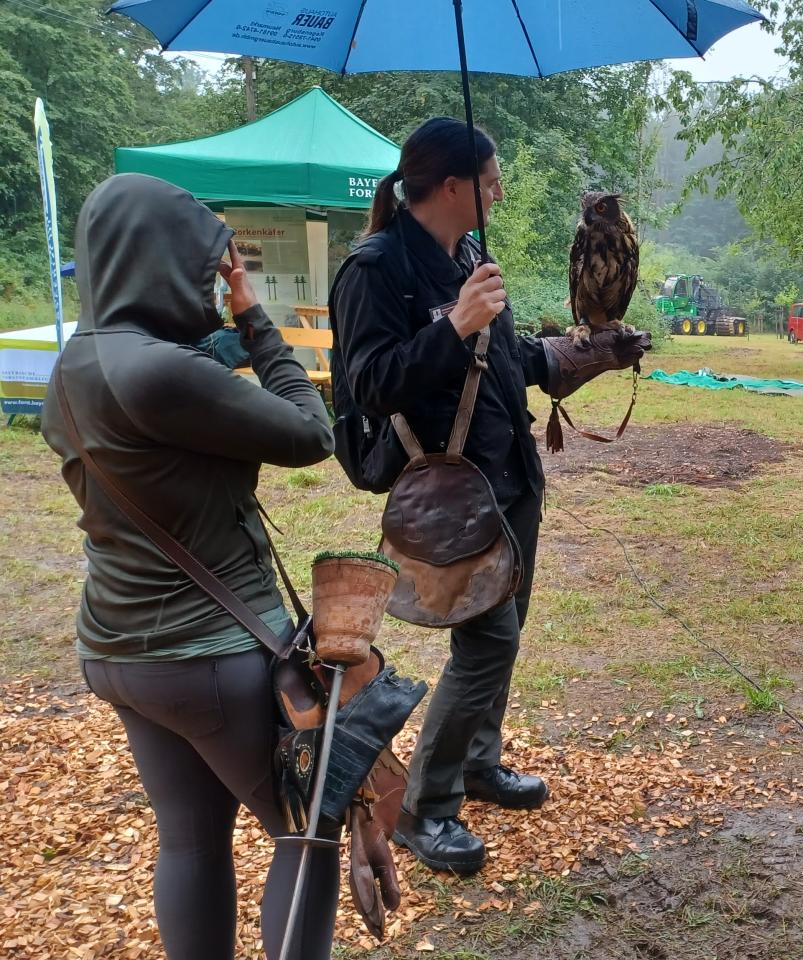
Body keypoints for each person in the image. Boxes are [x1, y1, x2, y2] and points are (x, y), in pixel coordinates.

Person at [330, 118, 642, 875]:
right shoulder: (375, 269)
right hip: (447, 491)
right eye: (493, 178)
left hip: (509, 479)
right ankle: (425, 809)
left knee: (506, 631)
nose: (500, 190)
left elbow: (509, 360)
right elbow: (366, 385)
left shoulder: (469, 254)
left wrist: (594, 351)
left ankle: (478, 761)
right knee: (488, 641)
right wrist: (457, 323)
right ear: (452, 187)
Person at [40, 174, 339, 958]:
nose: (214, 280)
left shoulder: (72, 367)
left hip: (115, 650)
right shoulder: (166, 375)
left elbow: (174, 386)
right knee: (309, 830)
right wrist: (254, 317)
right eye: (206, 266)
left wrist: (220, 336)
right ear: (162, 262)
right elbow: (313, 434)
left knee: (191, 841)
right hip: (210, 655)